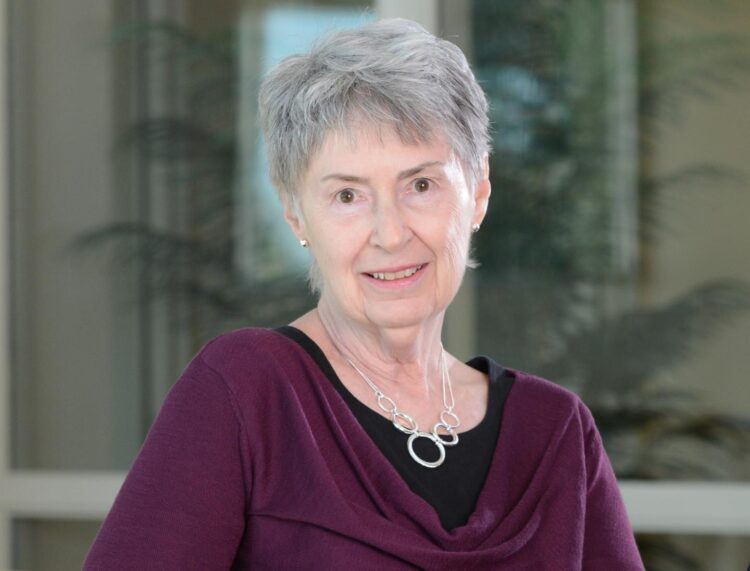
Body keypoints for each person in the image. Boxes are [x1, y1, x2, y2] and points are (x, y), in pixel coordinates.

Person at [84, 18, 644, 570]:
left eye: (420, 185)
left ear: (478, 192)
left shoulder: (555, 430)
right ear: (295, 213)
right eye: (348, 196)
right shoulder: (245, 391)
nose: (390, 234)